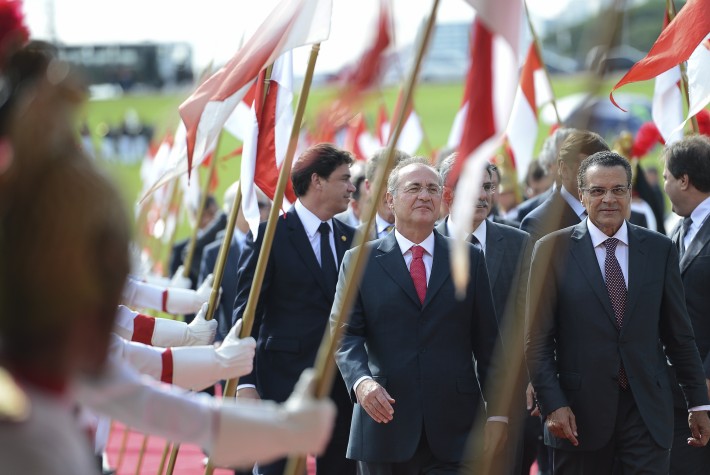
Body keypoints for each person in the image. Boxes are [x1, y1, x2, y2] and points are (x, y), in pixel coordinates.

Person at [525, 151, 710, 474]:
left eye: (618, 190)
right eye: (597, 191)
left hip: (647, 413)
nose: (608, 199)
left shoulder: (658, 249)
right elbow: (537, 341)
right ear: (581, 196)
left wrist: (698, 403)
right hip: (578, 418)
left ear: (629, 193)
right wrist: (553, 403)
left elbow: (679, 336)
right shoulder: (551, 251)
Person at [334, 158, 507, 474]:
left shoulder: (469, 258)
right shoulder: (360, 260)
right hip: (384, 424)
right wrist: (361, 382)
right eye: (414, 188)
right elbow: (345, 335)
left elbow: (489, 344)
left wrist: (497, 414)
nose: (425, 196)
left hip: (456, 431)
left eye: (432, 189)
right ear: (390, 199)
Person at [232, 142, 357, 475]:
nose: (352, 187)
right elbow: (248, 314)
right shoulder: (269, 234)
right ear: (317, 181)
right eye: (344, 178)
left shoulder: (353, 238)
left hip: (342, 388)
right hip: (281, 383)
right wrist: (246, 383)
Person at [437, 158, 532, 474]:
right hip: (439, 394)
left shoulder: (519, 243)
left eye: (488, 187)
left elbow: (527, 319)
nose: (481, 196)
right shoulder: (424, 246)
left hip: (504, 393)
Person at [662, 135, 710, 475]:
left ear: (684, 180)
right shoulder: (678, 230)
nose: (663, 184)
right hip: (680, 393)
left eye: (666, 176)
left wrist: (706, 376)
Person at [199, 181, 271, 339]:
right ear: (230, 211)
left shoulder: (277, 245)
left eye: (261, 205)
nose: (256, 211)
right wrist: (217, 343)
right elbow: (207, 308)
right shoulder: (214, 254)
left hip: (272, 347)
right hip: (231, 345)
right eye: (249, 204)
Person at [358, 148, 410, 240]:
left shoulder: (432, 235)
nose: (390, 191)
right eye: (383, 183)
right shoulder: (354, 239)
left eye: (399, 183)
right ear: (368, 187)